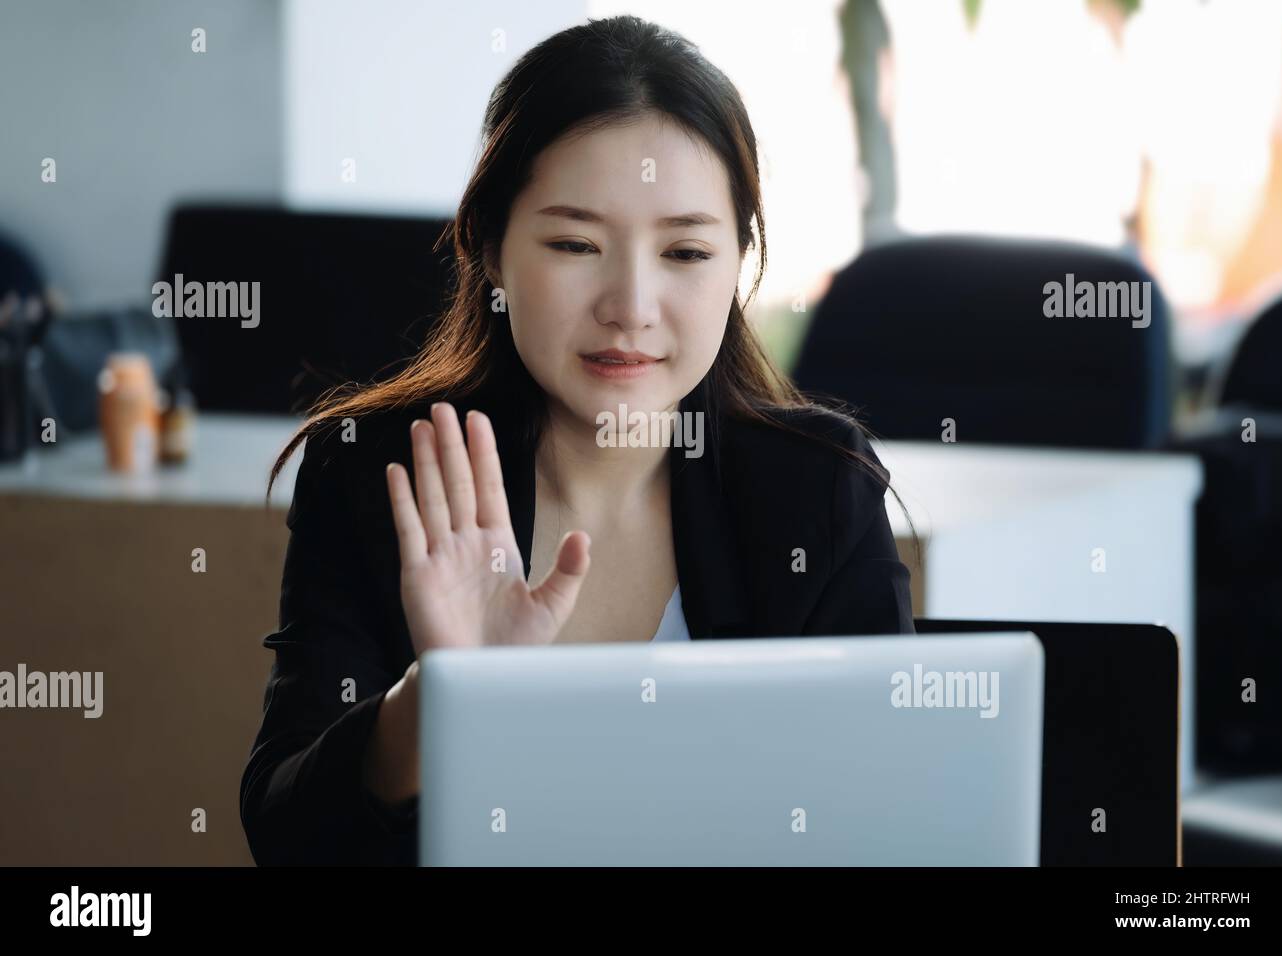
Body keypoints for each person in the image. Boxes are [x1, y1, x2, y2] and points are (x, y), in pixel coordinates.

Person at [240, 14, 913, 867]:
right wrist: (435, 704)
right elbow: (287, 838)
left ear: (739, 261)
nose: (630, 304)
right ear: (488, 248)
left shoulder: (818, 490)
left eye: (685, 252)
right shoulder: (381, 473)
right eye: (574, 243)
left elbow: (891, 818)